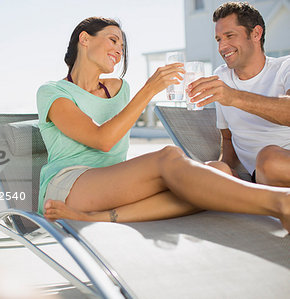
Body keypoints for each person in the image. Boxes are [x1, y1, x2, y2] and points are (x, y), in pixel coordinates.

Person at [36, 17, 290, 232]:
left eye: (123, 46)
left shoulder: (119, 88)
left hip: (117, 188)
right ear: (85, 39)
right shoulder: (52, 91)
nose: (119, 49)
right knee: (168, 155)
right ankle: (280, 202)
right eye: (113, 40)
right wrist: (150, 89)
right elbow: (103, 140)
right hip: (69, 186)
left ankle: (101, 217)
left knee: (219, 172)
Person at [187, 2, 290, 187]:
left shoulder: (285, 67)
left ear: (256, 34)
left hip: (280, 166)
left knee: (269, 159)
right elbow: (227, 138)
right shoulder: (222, 77)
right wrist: (222, 170)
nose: (222, 47)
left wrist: (233, 97)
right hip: (254, 179)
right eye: (218, 39)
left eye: (230, 36)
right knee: (208, 171)